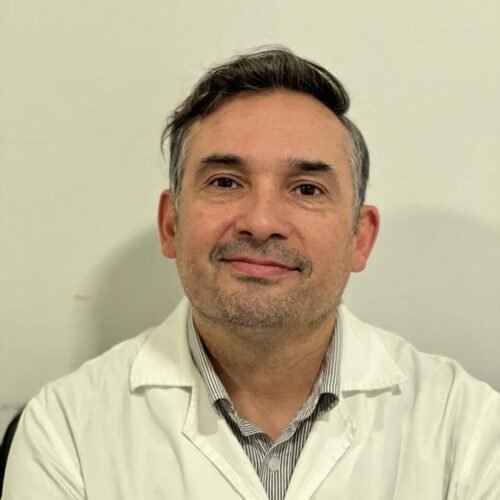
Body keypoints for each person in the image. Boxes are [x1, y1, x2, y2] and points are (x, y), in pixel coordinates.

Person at [3, 47, 499, 500]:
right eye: (225, 182)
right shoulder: (64, 430)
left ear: (359, 239)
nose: (261, 222)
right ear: (171, 225)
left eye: (306, 189)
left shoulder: (472, 429)